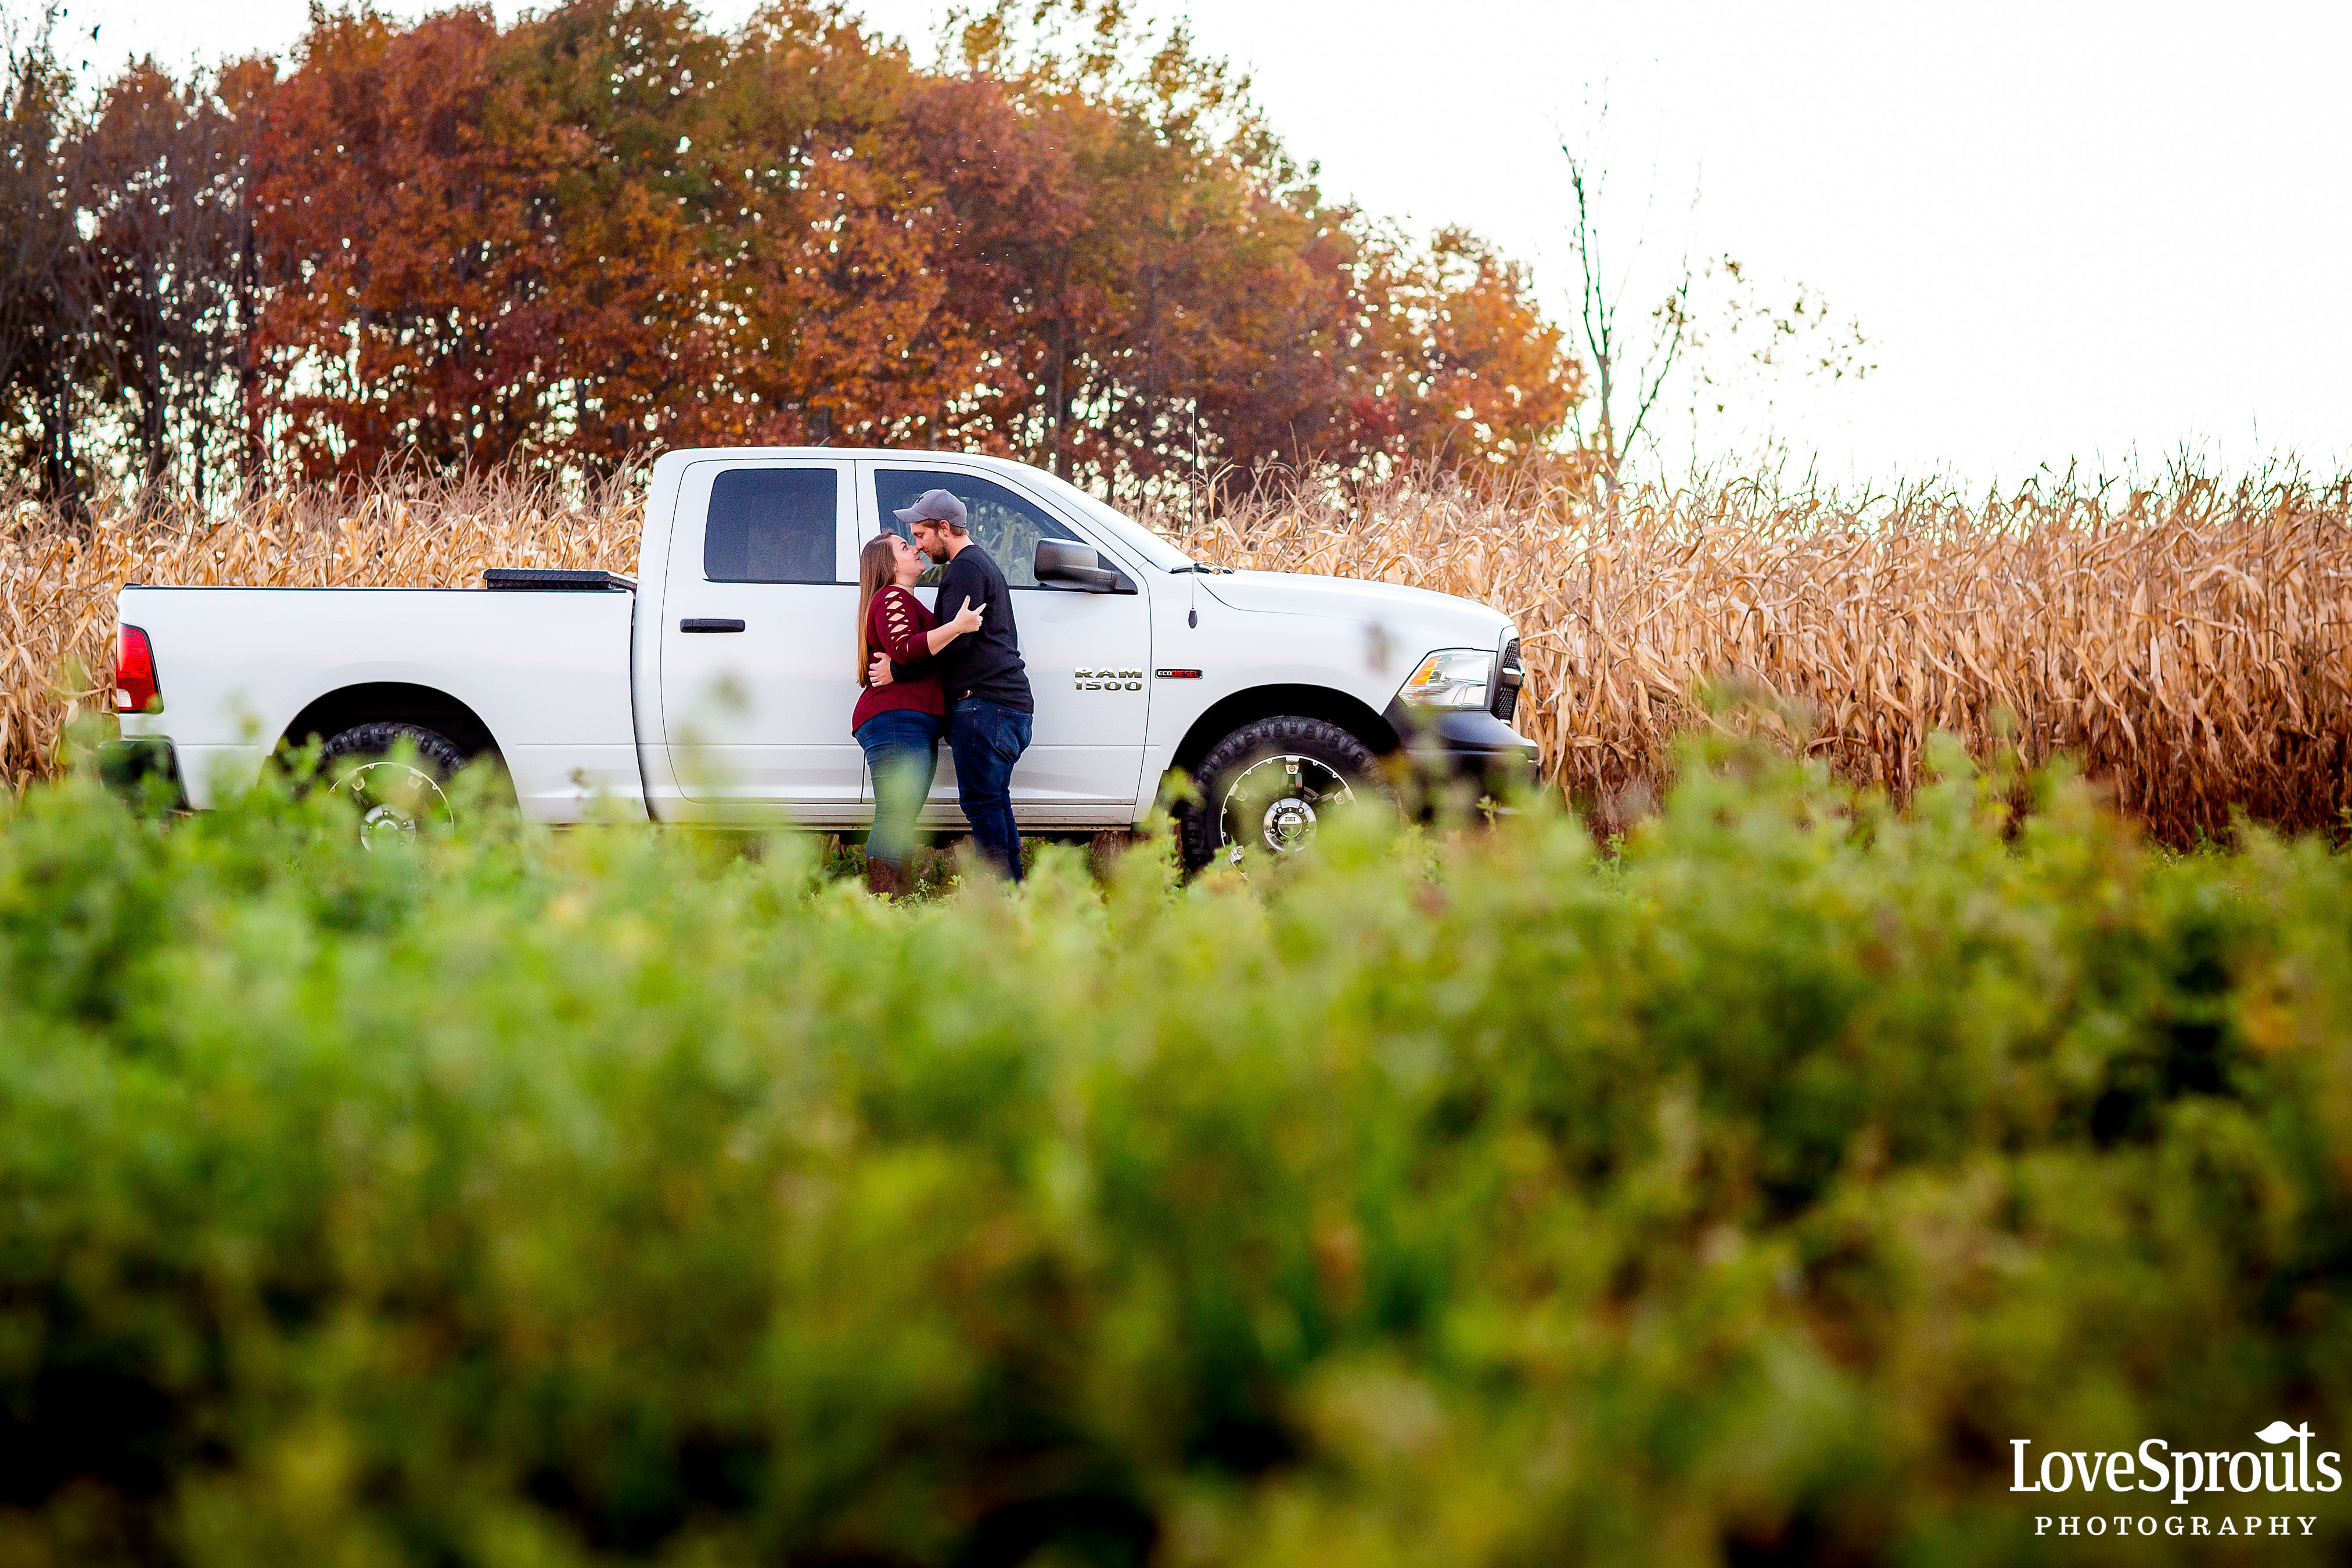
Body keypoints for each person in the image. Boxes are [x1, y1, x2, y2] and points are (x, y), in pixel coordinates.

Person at [872, 489, 1034, 881]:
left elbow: (957, 642)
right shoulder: (977, 566)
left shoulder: (965, 569)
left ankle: (1000, 896)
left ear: (945, 528)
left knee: (981, 804)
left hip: (985, 706)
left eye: (922, 536)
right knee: (994, 801)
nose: (919, 546)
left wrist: (899, 672)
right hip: (1002, 706)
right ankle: (1012, 893)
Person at [852, 531, 984, 898]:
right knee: (895, 813)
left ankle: (898, 903)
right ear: (889, 564)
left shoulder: (904, 601)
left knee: (902, 816)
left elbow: (917, 654)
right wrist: (957, 627)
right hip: (895, 718)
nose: (916, 549)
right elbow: (906, 649)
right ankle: (884, 902)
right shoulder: (892, 597)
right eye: (905, 547)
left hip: (911, 722)